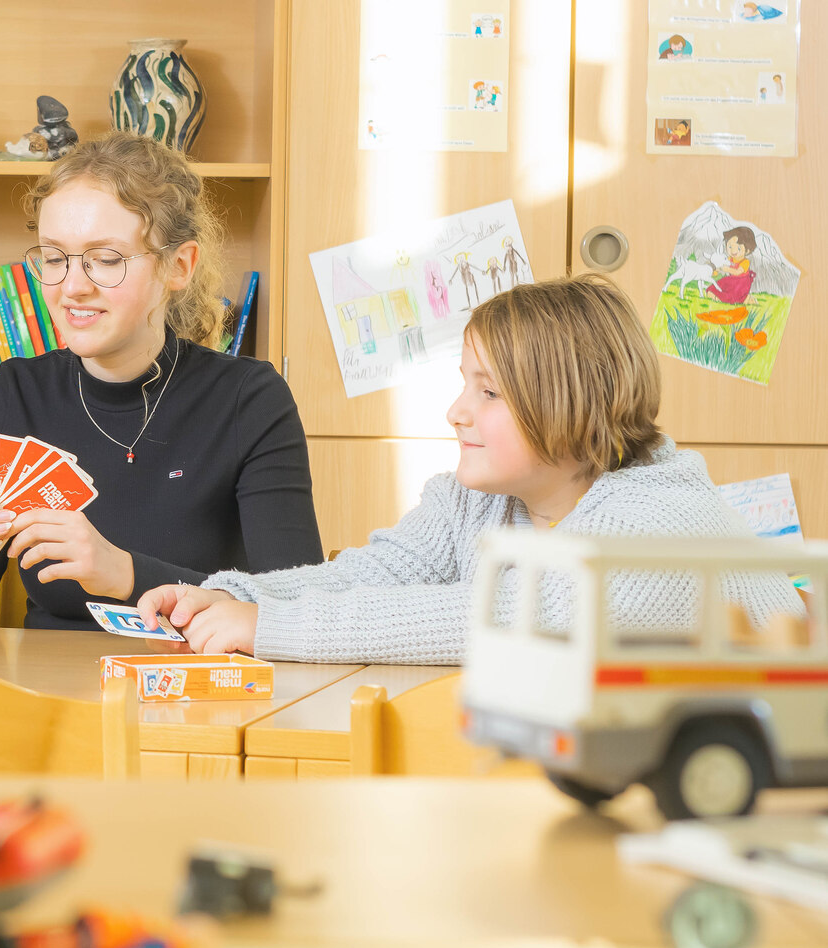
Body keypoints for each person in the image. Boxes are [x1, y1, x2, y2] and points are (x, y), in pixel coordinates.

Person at [139, 274, 803, 663]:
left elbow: (500, 620)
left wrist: (268, 629)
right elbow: (372, 577)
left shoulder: (659, 524)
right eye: (466, 385)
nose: (457, 411)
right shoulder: (479, 498)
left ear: (568, 402)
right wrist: (236, 597)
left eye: (488, 393)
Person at [0, 132, 321, 630]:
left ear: (178, 266)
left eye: (105, 260)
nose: (72, 287)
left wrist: (123, 573)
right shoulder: (14, 397)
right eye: (55, 258)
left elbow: (299, 612)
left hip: (199, 696)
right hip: (46, 698)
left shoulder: (249, 400)